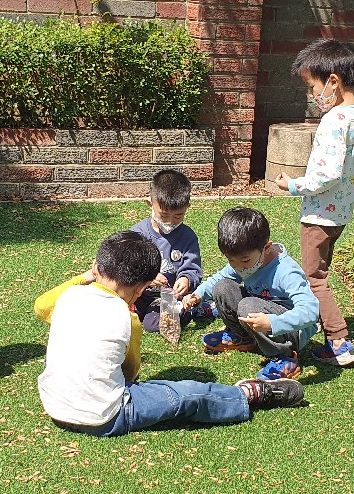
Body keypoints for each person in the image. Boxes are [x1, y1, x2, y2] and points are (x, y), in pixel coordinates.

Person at [35, 231, 303, 438]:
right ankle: (248, 394)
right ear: (141, 289)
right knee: (183, 395)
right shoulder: (125, 316)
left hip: (55, 407)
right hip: (105, 417)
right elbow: (130, 372)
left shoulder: (69, 295)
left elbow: (41, 306)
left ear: (96, 266)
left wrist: (85, 277)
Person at [271, 39, 354, 368]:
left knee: (314, 278)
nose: (312, 95)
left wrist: (293, 185)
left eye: (312, 86)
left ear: (333, 81)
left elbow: (327, 174)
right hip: (341, 215)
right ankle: (320, 323)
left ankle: (338, 342)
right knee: (319, 273)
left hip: (319, 215)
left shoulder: (334, 121)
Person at [182, 207, 320, 382]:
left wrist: (273, 323)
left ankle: (285, 356)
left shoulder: (286, 272)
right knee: (222, 287)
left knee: (248, 305)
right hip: (257, 314)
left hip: (290, 331)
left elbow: (311, 312)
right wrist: (198, 294)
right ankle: (243, 336)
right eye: (231, 260)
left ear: (266, 248)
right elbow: (220, 278)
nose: (239, 267)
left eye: (245, 260)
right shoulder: (244, 261)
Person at [127, 169, 205, 333]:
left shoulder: (187, 237)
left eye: (177, 216)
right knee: (121, 314)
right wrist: (147, 277)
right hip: (139, 295)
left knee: (152, 324)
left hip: (169, 296)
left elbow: (193, 268)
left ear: (187, 207)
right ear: (150, 203)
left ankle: (186, 309)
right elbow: (128, 268)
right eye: (163, 216)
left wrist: (185, 279)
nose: (170, 222)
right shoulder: (137, 234)